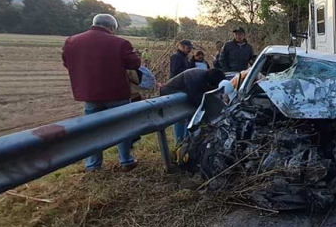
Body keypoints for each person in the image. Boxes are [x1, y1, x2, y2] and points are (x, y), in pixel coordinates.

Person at [62, 13, 141, 172]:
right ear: (111, 28)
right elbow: (134, 63)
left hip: (89, 94)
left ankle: (93, 165)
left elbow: (66, 62)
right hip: (116, 93)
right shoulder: (120, 43)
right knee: (122, 127)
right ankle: (126, 160)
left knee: (93, 130)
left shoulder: (72, 41)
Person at [160, 68, 226, 107]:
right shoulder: (195, 77)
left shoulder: (206, 77)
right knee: (182, 120)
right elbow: (193, 97)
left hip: (178, 94)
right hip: (169, 93)